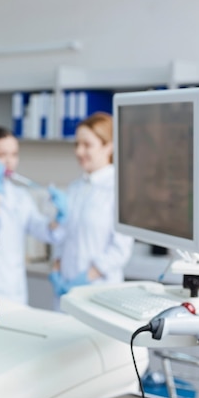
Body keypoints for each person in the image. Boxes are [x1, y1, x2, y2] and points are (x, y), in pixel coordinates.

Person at [48, 112, 134, 308]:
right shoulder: (74, 188)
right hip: (65, 291)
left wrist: (84, 279)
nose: (79, 151)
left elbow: (120, 250)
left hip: (98, 292)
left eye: (87, 145)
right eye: (77, 144)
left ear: (109, 146)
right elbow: (63, 238)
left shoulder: (120, 189)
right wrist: (56, 269)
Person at [0, 126, 67, 304]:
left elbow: (41, 230)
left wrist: (58, 218)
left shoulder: (19, 194)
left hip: (15, 287)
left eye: (14, 154)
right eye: (1, 155)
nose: (9, 161)